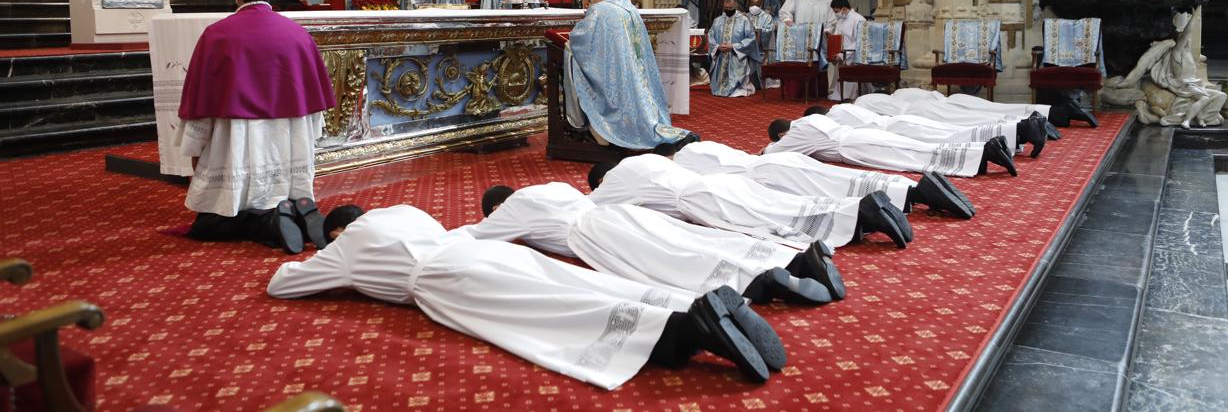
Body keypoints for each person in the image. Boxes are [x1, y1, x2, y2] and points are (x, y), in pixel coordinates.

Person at [268, 204, 785, 387]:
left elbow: (282, 285)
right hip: (477, 253)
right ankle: (687, 303)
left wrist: (323, 255)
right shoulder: (406, 212)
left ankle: (685, 331)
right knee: (579, 282)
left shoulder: (347, 245)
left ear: (339, 231)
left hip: (446, 281)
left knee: (556, 314)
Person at [175, 0, 337, 254]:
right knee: (282, 186)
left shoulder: (217, 35)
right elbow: (313, 101)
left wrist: (196, 145)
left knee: (211, 224)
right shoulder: (296, 34)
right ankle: (289, 212)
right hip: (287, 131)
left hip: (234, 132)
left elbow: (202, 95)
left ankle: (267, 222)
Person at [466, 182, 842, 305]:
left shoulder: (512, 207)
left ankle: (760, 282)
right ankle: (793, 261)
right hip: (619, 214)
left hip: (595, 234)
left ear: (498, 204)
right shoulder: (553, 186)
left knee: (671, 261)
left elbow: (479, 234)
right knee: (692, 236)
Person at [588, 153, 913, 249]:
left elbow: (593, 206)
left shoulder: (612, 182)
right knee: (783, 205)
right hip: (720, 183)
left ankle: (862, 214)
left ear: (603, 178)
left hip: (702, 199)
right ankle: (860, 211)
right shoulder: (645, 159)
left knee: (774, 220)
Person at [672, 140, 975, 220]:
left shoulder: (683, 164)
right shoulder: (703, 147)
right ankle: (912, 188)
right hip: (773, 163)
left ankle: (915, 195)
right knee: (842, 177)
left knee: (834, 189)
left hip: (766, 175)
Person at [563, 0, 694, 151]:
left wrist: (570, 43)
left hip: (618, 75)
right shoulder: (629, 8)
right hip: (636, 72)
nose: (590, 0)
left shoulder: (600, 9)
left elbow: (583, 39)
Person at [765, 114, 1018, 177]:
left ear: (782, 133)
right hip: (860, 137)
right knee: (916, 150)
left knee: (914, 156)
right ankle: (981, 154)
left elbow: (774, 153)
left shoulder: (799, 130)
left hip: (855, 146)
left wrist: (767, 148)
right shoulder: (814, 118)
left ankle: (985, 152)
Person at [805, 103, 1043, 157]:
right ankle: (1020, 129)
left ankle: (1022, 129)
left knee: (953, 136)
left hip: (898, 129)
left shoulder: (831, 119)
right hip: (900, 122)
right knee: (956, 130)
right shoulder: (842, 106)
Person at [853, 88, 1057, 138]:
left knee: (974, 122)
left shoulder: (861, 104)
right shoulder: (898, 94)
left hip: (922, 113)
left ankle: (1025, 124)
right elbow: (932, 95)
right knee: (987, 113)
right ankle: (1034, 117)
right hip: (940, 102)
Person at [707, 0, 760, 98]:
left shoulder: (744, 20)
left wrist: (733, 46)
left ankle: (737, 88)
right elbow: (710, 36)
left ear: (735, 6)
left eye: (730, 8)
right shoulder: (717, 20)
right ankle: (721, 88)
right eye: (725, 8)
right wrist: (717, 47)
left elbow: (751, 38)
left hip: (736, 55)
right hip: (721, 56)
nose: (727, 10)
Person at [827, 0, 867, 100]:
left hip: (853, 54)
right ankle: (841, 96)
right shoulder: (840, 19)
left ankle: (851, 97)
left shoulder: (858, 19)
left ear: (844, 9)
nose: (836, 14)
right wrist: (834, 51)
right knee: (841, 77)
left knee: (851, 80)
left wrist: (842, 54)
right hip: (842, 54)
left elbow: (859, 40)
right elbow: (837, 37)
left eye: (837, 11)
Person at [746, 0, 776, 89]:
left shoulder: (767, 17)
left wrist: (758, 32)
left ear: (761, 5)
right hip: (745, 47)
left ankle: (759, 82)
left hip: (760, 48)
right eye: (752, 4)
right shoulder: (745, 16)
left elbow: (768, 31)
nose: (754, 7)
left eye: (756, 4)